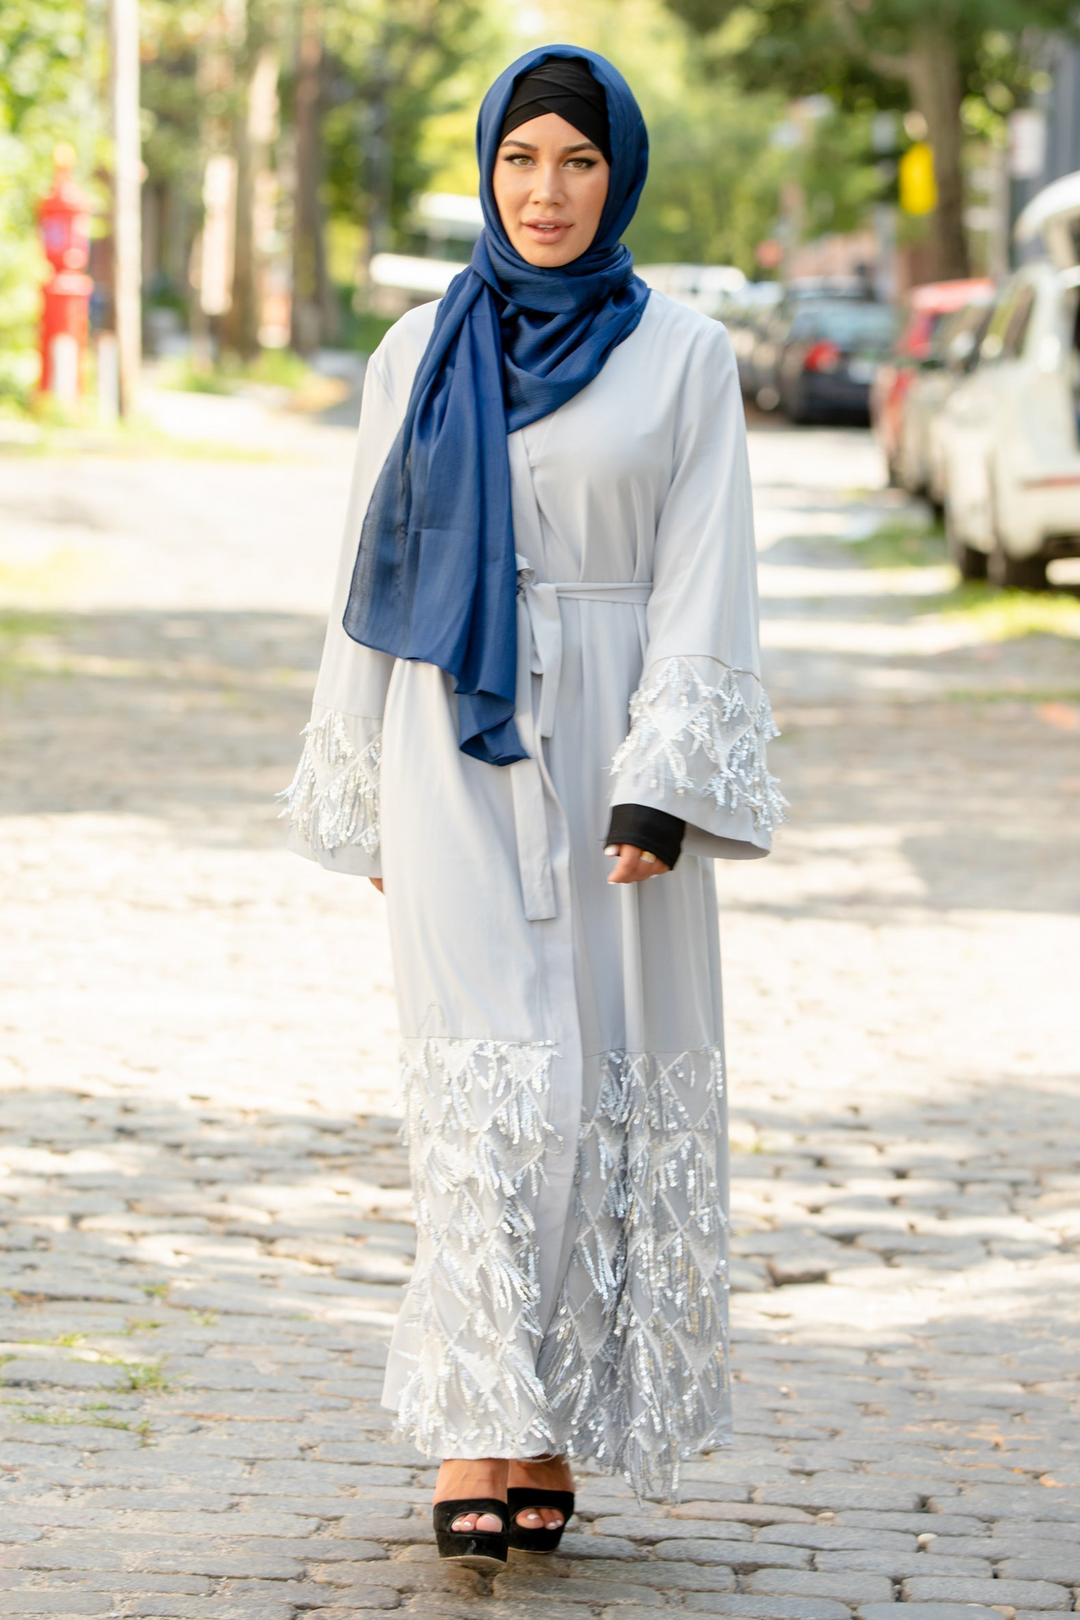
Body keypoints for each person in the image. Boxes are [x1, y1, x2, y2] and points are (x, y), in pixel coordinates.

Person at [282, 43, 786, 1573]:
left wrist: (667, 778)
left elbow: (713, 573)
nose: (546, 191)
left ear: (618, 174)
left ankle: (552, 1423)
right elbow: (370, 579)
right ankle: (471, 1418)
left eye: (575, 161)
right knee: (480, 1088)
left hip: (618, 751)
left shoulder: (686, 355)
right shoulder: (416, 348)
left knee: (601, 1085)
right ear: (487, 173)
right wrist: (368, 779)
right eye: (519, 160)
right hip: (454, 739)